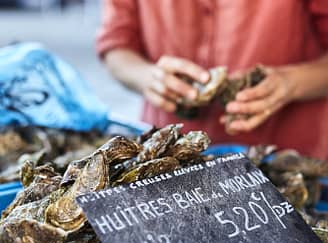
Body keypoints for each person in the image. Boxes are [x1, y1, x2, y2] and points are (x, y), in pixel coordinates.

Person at [97, 0, 328, 159]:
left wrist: (290, 83)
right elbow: (117, 45)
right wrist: (147, 77)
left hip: (288, 150)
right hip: (168, 150)